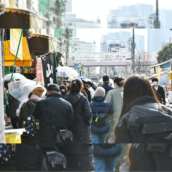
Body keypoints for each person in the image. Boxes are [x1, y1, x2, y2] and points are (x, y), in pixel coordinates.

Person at [115, 75, 172, 143]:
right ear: (150, 90)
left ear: (127, 94)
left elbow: (123, 151)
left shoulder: (126, 119)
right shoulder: (168, 111)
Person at [61, 79, 94, 172]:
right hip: (82, 128)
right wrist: (86, 123)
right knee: (82, 150)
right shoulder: (83, 98)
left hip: (68, 128)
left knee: (69, 149)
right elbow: (88, 114)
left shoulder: (65, 98)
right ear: (81, 87)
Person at [105, 77, 124, 143]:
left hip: (113, 118)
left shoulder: (111, 92)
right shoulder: (128, 92)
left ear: (115, 83)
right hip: (126, 119)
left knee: (112, 138)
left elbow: (107, 104)